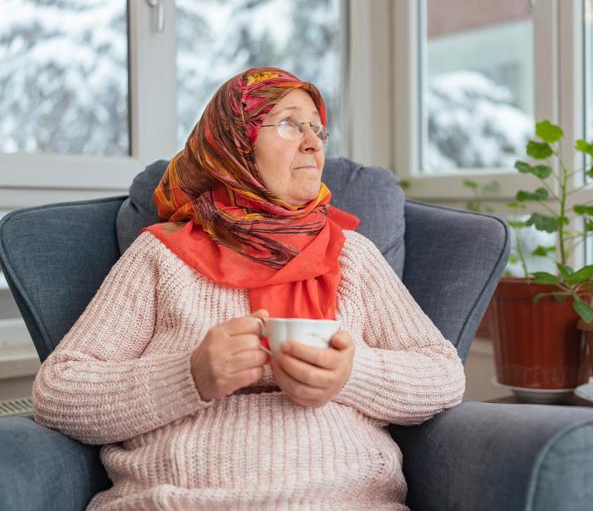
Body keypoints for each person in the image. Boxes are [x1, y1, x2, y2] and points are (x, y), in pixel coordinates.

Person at [32, 67, 466, 510]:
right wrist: (189, 376)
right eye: (290, 123)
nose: (313, 142)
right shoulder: (160, 256)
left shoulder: (353, 255)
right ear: (234, 143)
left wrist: (351, 375)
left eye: (317, 128)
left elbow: (443, 375)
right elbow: (59, 392)